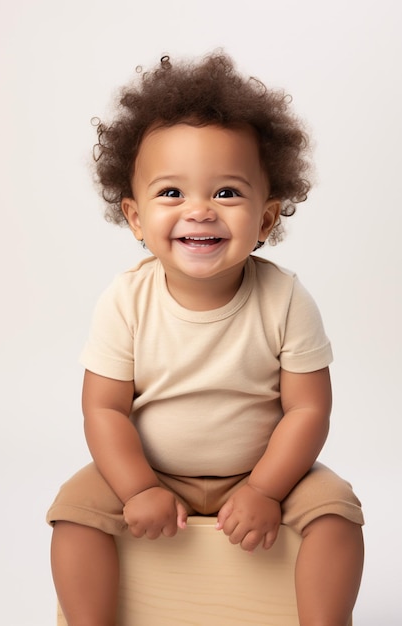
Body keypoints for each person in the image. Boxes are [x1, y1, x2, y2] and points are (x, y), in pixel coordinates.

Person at [47, 52, 364, 626]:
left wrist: (267, 489)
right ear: (135, 217)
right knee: (73, 512)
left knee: (338, 513)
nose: (199, 210)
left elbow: (308, 409)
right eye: (171, 193)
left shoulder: (286, 299)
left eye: (226, 193)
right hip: (149, 470)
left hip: (265, 471)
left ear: (265, 221)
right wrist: (138, 487)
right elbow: (104, 410)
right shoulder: (126, 301)